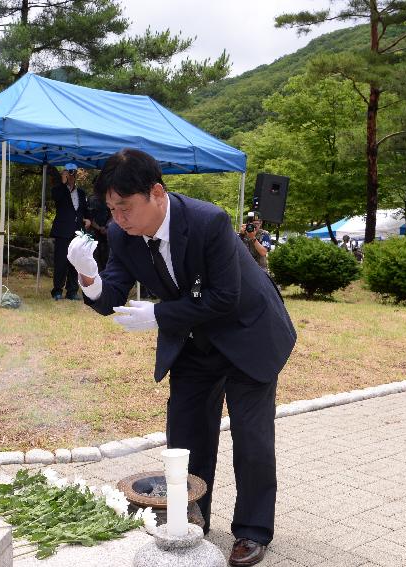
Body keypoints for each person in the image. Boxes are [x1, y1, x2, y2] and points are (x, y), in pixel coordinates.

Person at [66, 149, 296, 567]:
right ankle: (191, 518)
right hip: (193, 339)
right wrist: (88, 275)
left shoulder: (208, 221)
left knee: (252, 438)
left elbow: (226, 297)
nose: (119, 218)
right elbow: (112, 296)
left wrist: (159, 314)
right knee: (186, 434)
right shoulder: (122, 235)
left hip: (248, 334)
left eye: (126, 207)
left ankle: (252, 531)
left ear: (156, 192)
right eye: (112, 209)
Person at [50, 163, 90, 300]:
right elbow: (57, 199)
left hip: (78, 232)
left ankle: (72, 291)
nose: (72, 176)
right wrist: (63, 183)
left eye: (74, 173)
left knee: (76, 262)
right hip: (62, 232)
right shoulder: (58, 190)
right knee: (61, 262)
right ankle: (57, 290)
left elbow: (85, 211)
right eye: (69, 173)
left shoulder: (81, 193)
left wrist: (88, 219)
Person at [86, 192, 112, 272]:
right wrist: (98, 228)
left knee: (107, 258)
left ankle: (106, 280)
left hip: (106, 233)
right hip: (93, 233)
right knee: (94, 258)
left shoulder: (109, 197)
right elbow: (88, 215)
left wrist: (107, 227)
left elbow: (112, 214)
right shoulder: (91, 199)